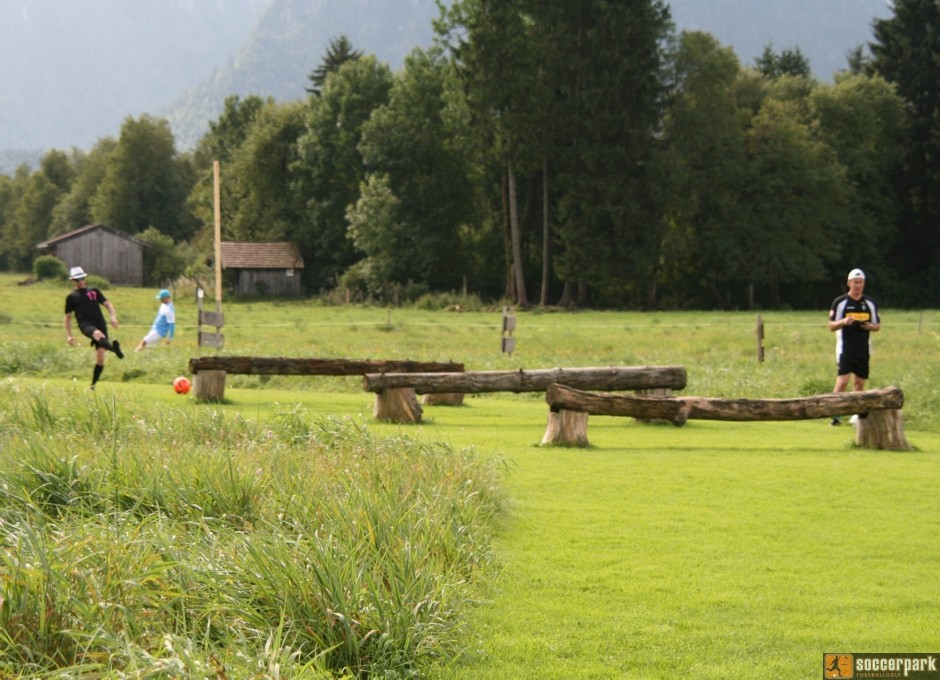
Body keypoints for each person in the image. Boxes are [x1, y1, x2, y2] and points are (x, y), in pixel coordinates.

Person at [828, 268, 880, 425]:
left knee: (859, 383)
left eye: (861, 282)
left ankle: (857, 416)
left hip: (864, 348)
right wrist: (844, 322)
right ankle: (835, 415)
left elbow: (877, 326)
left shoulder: (869, 303)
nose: (858, 285)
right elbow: (831, 326)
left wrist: (868, 326)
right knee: (842, 381)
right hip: (845, 348)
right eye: (855, 282)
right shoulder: (840, 302)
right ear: (849, 283)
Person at [64, 266, 124, 389]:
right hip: (86, 325)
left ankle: (92, 386)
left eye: (82, 278)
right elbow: (68, 318)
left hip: (100, 324)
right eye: (77, 280)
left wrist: (113, 317)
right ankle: (115, 350)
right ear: (73, 281)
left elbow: (108, 305)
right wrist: (69, 335)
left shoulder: (94, 291)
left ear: (85, 278)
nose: (80, 281)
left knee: (100, 359)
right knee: (98, 335)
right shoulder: (71, 297)